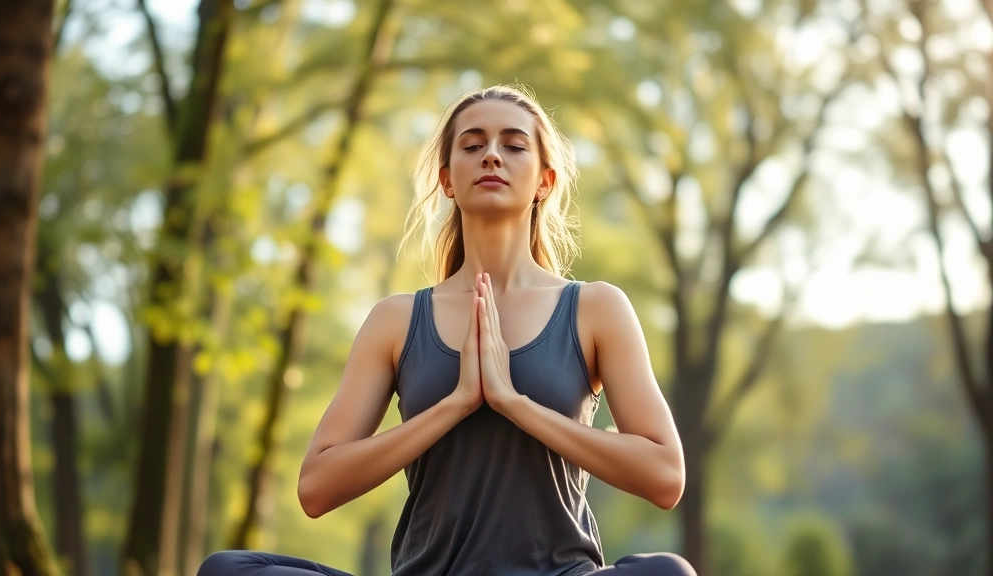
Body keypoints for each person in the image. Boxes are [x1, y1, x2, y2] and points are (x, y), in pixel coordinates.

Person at [198, 85, 695, 576]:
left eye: (514, 145)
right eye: (473, 145)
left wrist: (512, 402)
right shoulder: (396, 321)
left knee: (668, 574)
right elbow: (316, 487)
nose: (492, 157)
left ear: (545, 180)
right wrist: (455, 403)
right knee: (228, 570)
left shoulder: (595, 308)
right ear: (448, 180)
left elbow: (665, 477)